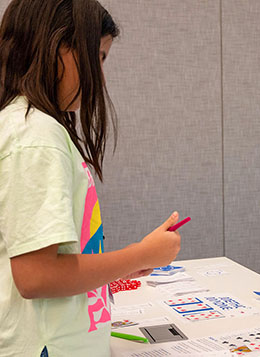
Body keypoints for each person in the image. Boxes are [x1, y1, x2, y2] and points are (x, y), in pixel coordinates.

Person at [0, 1, 182, 356]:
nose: (100, 75)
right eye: (97, 57)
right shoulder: (36, 136)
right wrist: (137, 254)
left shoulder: (27, 127)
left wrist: (133, 260)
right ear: (57, 47)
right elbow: (37, 276)